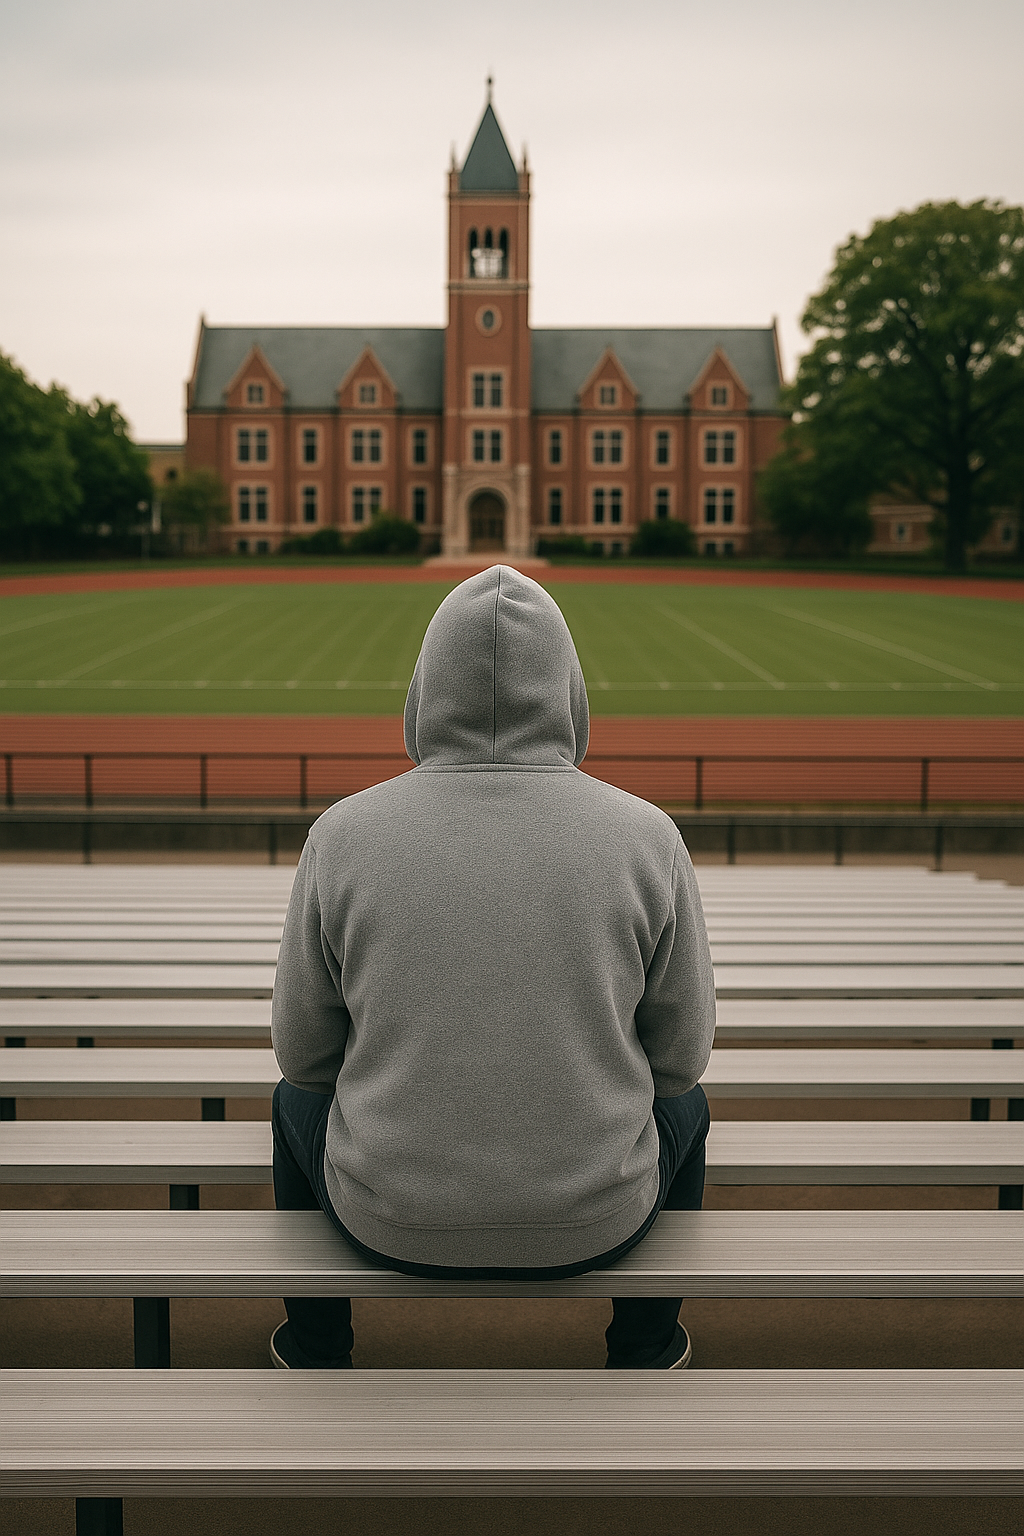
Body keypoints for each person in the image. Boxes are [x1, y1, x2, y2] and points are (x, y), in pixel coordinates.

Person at [270, 565, 715, 1369]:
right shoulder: (649, 835)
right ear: (568, 690)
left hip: (389, 1218)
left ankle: (316, 1344)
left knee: (287, 1103)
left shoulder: (340, 833)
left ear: (425, 688)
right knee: (694, 1109)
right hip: (594, 1220)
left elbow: (303, 1058)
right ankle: (645, 1346)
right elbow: (681, 1063)